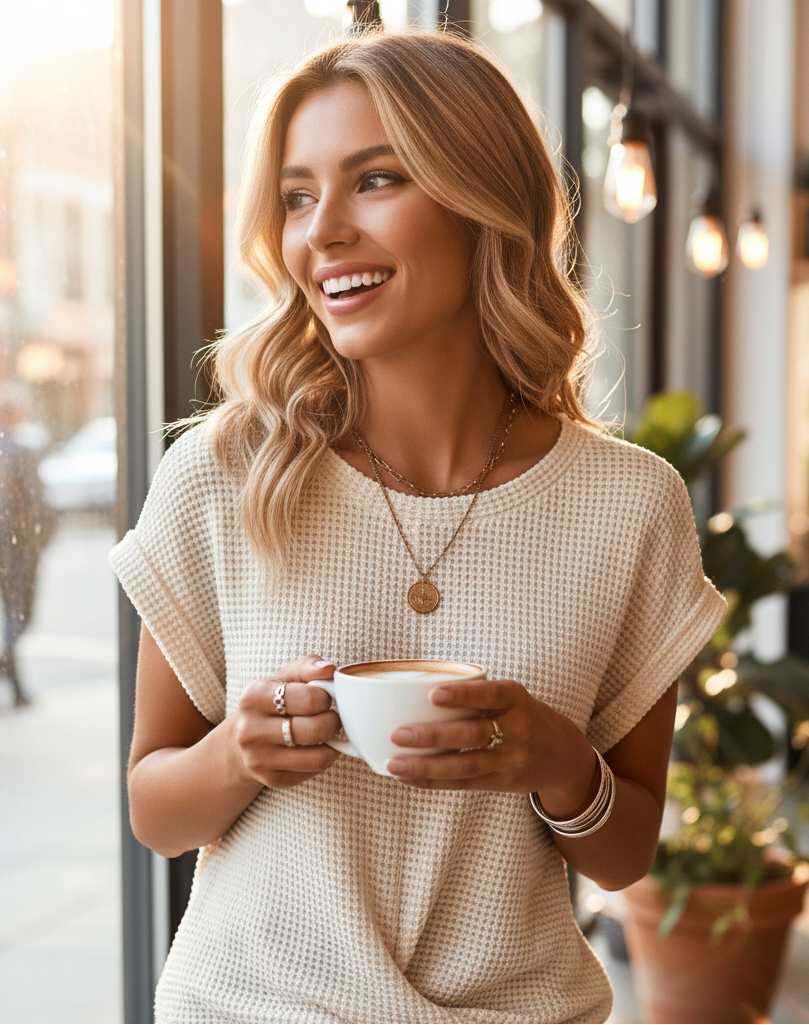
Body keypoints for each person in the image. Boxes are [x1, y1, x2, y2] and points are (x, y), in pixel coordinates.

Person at [111, 29, 727, 1025]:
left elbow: (623, 851)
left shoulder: (629, 503)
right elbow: (154, 808)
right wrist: (241, 751)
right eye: (300, 195)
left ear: (481, 197)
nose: (322, 233)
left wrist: (558, 763)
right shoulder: (223, 474)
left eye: (376, 179)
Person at [0, 392, 55, 707]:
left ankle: (16, 684)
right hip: (18, 548)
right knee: (20, 613)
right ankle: (5, 662)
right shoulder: (21, 452)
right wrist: (43, 537)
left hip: (13, 545)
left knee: (10, 616)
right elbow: (36, 503)